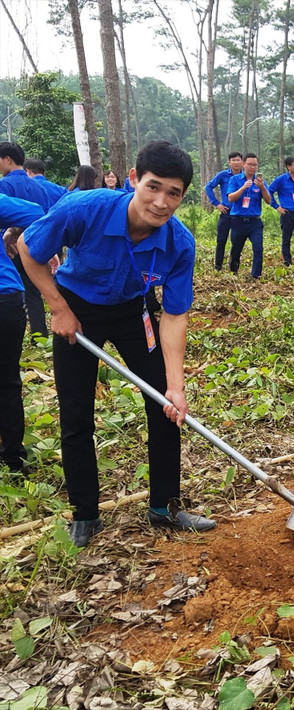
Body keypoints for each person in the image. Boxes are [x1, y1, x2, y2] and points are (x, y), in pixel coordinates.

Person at [18, 140, 216, 548]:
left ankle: (165, 507)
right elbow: (28, 248)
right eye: (153, 187)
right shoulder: (85, 208)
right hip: (77, 307)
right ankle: (86, 515)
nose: (161, 202)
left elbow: (174, 316)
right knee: (76, 414)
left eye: (174, 193)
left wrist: (175, 386)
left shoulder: (179, 243)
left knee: (164, 405)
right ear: (133, 180)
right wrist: (57, 308)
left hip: (132, 310)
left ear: (182, 196)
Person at [0, 195, 45, 473]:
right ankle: (13, 459)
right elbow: (36, 211)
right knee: (7, 382)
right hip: (5, 299)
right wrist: (13, 233)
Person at [0, 142, 51, 339]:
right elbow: (44, 215)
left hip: (10, 248)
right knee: (33, 290)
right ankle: (40, 334)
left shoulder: (4, 185)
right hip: (34, 244)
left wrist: (11, 231)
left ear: (7, 159)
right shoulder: (40, 187)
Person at [226, 152, 271, 279]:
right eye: (250, 164)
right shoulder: (234, 180)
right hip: (238, 221)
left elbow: (268, 201)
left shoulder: (260, 181)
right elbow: (230, 198)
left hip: (254, 222)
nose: (253, 167)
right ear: (243, 164)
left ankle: (255, 276)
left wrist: (262, 187)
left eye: (255, 165)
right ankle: (233, 273)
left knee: (258, 248)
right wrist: (243, 188)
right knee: (236, 250)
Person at [204, 152, 243, 270]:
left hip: (239, 214)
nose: (236, 162)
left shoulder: (245, 176)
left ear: (242, 162)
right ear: (229, 162)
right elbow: (208, 187)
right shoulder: (223, 175)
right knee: (221, 240)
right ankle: (218, 266)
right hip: (226, 212)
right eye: (233, 160)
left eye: (238, 160)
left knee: (236, 242)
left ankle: (234, 267)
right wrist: (217, 204)